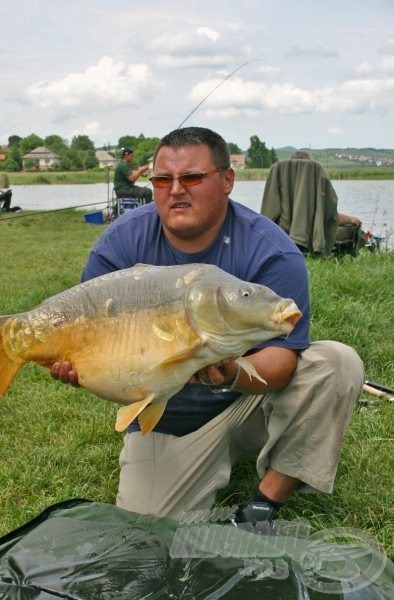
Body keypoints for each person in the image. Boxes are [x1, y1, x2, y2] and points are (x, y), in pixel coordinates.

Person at [51, 127, 364, 526]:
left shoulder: (272, 252)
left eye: (193, 178)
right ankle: (192, 461)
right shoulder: (119, 246)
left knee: (336, 363)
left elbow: (284, 360)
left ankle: (264, 504)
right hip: (169, 420)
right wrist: (86, 368)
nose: (176, 190)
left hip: (250, 401)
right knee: (149, 529)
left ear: (227, 180)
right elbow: (101, 356)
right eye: (163, 179)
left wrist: (230, 374)